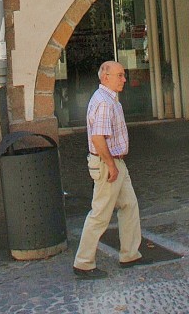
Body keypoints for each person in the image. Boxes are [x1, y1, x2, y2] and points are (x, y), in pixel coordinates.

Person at [73, 60, 146, 279]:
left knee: (129, 205)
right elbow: (98, 139)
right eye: (120, 75)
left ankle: (130, 254)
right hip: (108, 163)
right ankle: (84, 263)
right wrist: (112, 166)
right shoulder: (104, 102)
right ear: (106, 77)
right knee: (100, 214)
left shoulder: (110, 99)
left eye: (123, 75)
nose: (124, 79)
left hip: (115, 162)